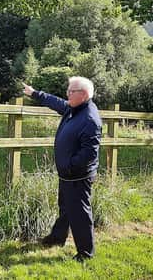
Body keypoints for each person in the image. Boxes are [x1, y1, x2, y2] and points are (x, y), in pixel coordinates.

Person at [23, 77, 102, 261]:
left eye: (71, 91)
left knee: (80, 214)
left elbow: (89, 154)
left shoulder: (90, 119)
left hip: (77, 176)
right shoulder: (74, 109)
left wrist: (69, 166)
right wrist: (35, 94)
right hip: (67, 174)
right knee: (65, 208)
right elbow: (56, 102)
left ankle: (85, 253)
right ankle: (57, 238)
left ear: (83, 95)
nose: (67, 94)